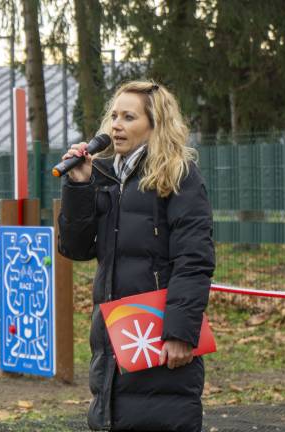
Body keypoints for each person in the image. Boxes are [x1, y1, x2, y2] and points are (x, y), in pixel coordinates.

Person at [57, 80, 215, 431]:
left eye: (129, 117)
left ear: (155, 125)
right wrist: (79, 186)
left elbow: (194, 259)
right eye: (114, 116)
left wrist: (180, 332)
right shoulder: (106, 177)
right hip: (114, 336)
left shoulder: (178, 176)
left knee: (160, 417)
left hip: (158, 335)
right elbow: (76, 248)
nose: (116, 125)